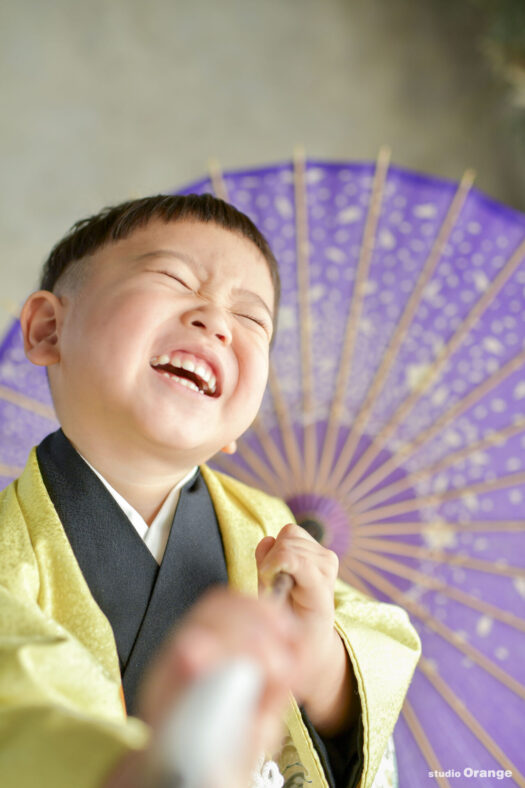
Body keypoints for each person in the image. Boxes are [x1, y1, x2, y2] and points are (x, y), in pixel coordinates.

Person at [0, 194, 421, 788]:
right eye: (173, 278)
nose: (216, 321)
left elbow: (370, 680)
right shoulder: (9, 554)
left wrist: (321, 664)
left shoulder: (270, 530)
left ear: (239, 422)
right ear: (48, 329)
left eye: (251, 320)